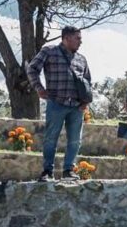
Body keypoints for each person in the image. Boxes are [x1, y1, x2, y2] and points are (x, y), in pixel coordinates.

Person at [27, 25, 92, 182]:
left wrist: (85, 101)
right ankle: (47, 171)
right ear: (66, 38)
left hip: (76, 107)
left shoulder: (81, 59)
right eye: (77, 38)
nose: (80, 42)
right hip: (56, 103)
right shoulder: (49, 51)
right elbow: (32, 69)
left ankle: (69, 170)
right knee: (51, 139)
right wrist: (39, 88)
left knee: (75, 141)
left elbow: (87, 81)